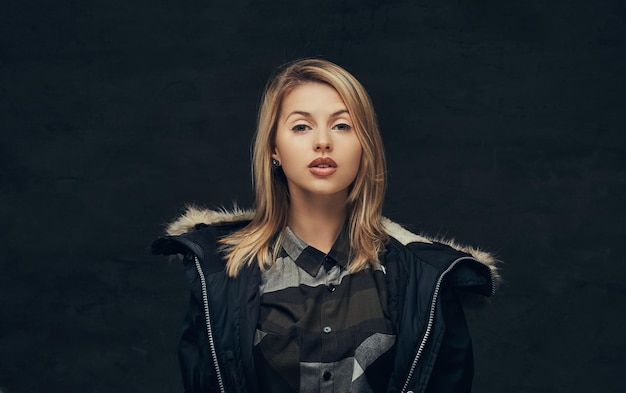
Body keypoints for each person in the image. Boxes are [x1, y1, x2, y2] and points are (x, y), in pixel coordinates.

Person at [152, 58, 500, 393]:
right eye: (301, 126)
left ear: (364, 144)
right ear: (274, 147)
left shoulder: (426, 278)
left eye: (342, 125)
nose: (322, 141)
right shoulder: (219, 272)